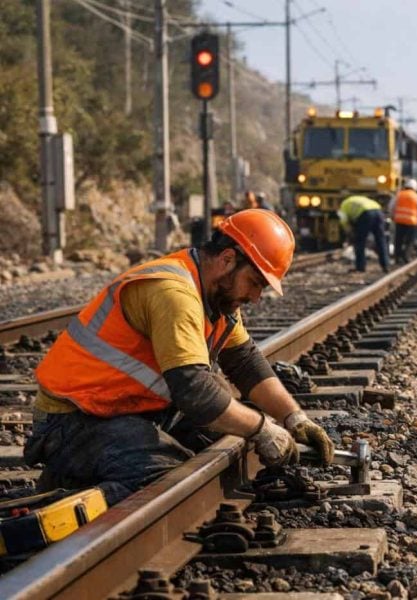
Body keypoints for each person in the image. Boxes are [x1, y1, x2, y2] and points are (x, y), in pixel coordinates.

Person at [25, 210, 335, 506]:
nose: (256, 297)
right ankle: (70, 498)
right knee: (169, 477)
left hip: (127, 410)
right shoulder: (174, 293)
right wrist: (261, 428)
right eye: (255, 283)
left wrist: (295, 419)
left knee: (225, 434)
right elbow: (194, 390)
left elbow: (245, 362)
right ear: (228, 260)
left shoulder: (215, 298)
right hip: (74, 418)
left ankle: (79, 471)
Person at [338, 195, 389, 273]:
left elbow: (344, 222)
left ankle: (360, 267)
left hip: (365, 213)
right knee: (380, 240)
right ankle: (385, 266)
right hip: (378, 211)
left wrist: (350, 233)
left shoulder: (343, 206)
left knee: (360, 242)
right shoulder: (356, 199)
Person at [387, 179, 417, 265]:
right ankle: (406, 256)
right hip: (412, 222)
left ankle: (397, 257)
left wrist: (392, 216)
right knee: (409, 241)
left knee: (398, 240)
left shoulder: (399, 194)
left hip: (399, 221)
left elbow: (391, 206)